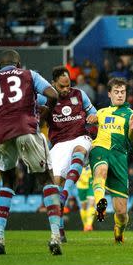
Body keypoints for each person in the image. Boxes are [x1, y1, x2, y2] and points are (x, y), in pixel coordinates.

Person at [0, 49, 62, 255]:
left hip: (0, 135)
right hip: (26, 129)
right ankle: (56, 236)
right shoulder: (28, 75)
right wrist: (44, 112)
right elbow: (53, 95)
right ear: (18, 65)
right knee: (46, 180)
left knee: (7, 183)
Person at [41, 66, 97, 242]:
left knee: (79, 151)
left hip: (81, 137)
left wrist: (94, 117)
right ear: (53, 84)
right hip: (58, 144)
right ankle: (59, 230)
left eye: (68, 85)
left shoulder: (79, 94)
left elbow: (93, 112)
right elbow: (38, 119)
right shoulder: (46, 98)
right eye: (61, 86)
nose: (66, 89)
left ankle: (65, 195)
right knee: (54, 183)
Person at [88, 77, 133, 243]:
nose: (120, 95)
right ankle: (100, 203)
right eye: (116, 92)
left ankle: (119, 231)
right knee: (101, 170)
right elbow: (88, 122)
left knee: (121, 212)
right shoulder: (101, 112)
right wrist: (91, 119)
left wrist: (132, 129)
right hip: (100, 148)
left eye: (123, 92)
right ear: (109, 94)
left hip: (120, 157)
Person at [76, 165, 95, 231]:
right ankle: (85, 225)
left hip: (91, 182)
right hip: (81, 185)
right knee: (84, 206)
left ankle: (89, 225)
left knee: (92, 202)